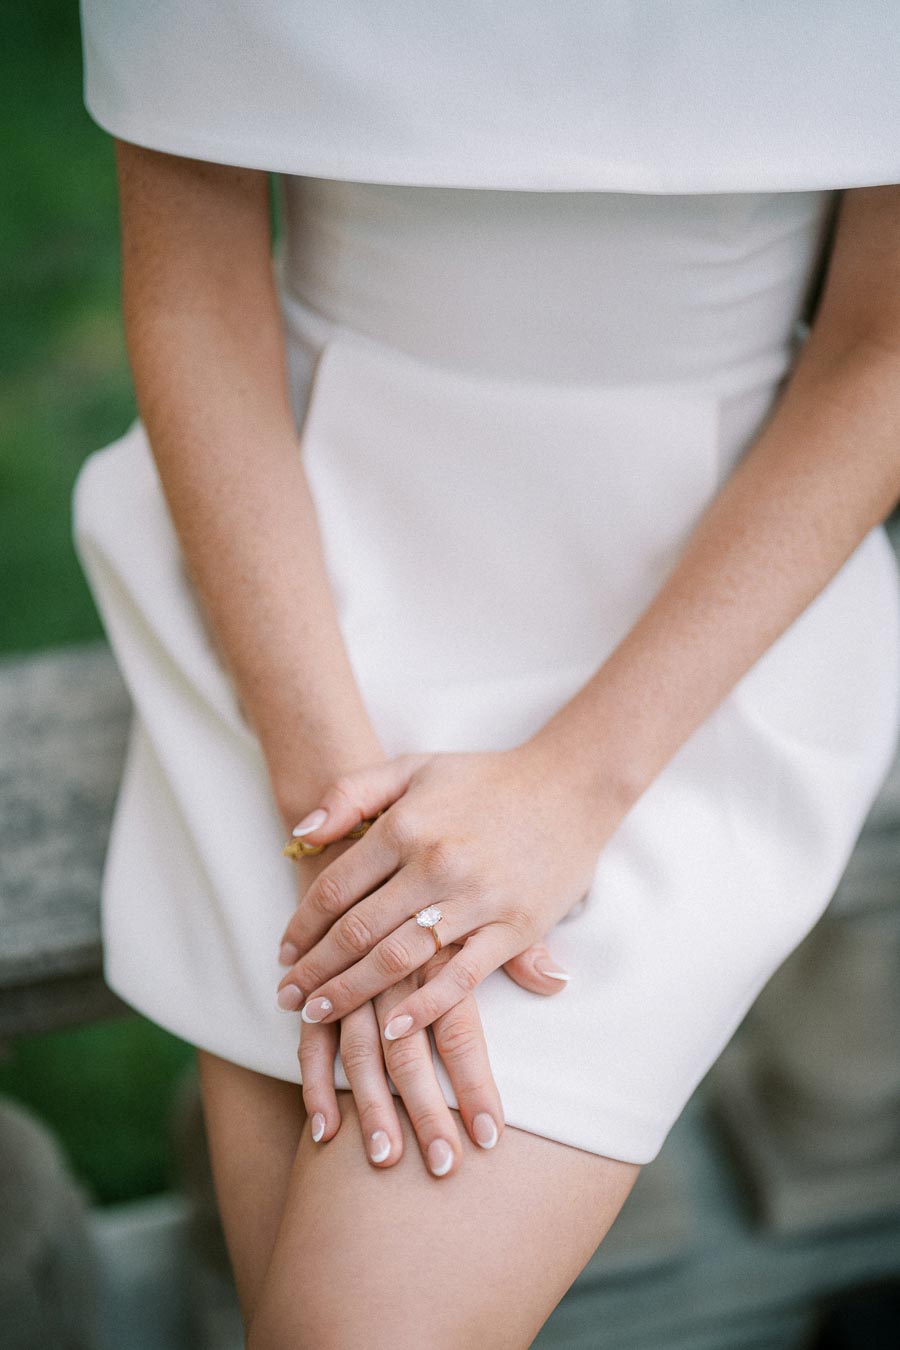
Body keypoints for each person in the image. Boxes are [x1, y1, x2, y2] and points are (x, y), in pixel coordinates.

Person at [72, 4, 900, 1346]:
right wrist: (333, 812)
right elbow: (189, 289)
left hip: (697, 605)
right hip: (295, 573)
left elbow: (887, 346)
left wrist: (573, 787)